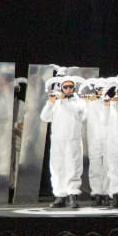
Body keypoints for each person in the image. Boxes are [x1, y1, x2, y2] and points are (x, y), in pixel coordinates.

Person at [39, 76, 87, 208]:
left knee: (73, 167)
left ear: (74, 88)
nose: (68, 89)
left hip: (72, 139)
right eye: (65, 87)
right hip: (57, 141)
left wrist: (63, 100)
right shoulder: (56, 103)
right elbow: (44, 117)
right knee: (57, 168)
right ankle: (60, 196)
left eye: (71, 87)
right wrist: (50, 103)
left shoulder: (79, 102)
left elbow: (75, 110)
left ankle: (73, 195)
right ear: (61, 88)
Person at [81, 80, 109, 206]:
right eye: (99, 89)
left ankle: (108, 193)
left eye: (103, 89)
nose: (101, 91)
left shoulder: (110, 103)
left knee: (108, 167)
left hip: (108, 138)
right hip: (94, 139)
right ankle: (97, 193)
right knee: (95, 167)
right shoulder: (91, 103)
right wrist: (87, 103)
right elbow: (83, 117)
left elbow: (105, 118)